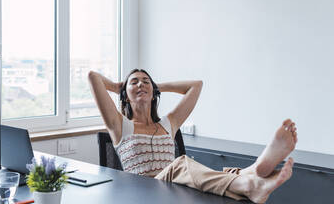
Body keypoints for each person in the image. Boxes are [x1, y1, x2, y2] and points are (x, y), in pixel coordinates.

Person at [88, 69, 298, 204]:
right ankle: (248, 183)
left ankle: (250, 173)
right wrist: (118, 87)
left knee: (189, 170)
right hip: (143, 193)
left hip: (172, 190)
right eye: (134, 82)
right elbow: (93, 77)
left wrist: (159, 85)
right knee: (181, 164)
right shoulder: (120, 126)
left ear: (154, 92)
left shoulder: (167, 124)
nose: (141, 84)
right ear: (125, 93)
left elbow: (196, 85)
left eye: (146, 82)